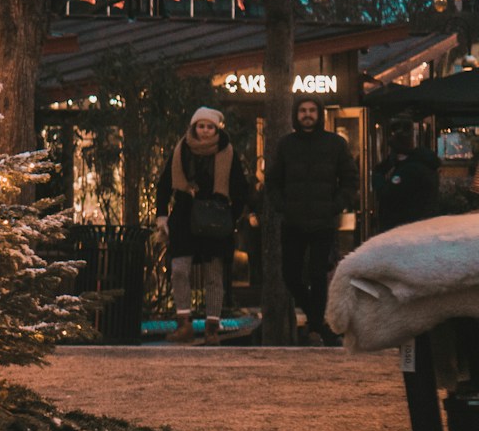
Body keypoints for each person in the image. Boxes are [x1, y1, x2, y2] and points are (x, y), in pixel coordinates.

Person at [155, 106, 252, 345]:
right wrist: (161, 215)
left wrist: (231, 215)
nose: (206, 131)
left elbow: (240, 187)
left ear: (216, 128)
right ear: (194, 127)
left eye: (210, 127)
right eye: (201, 126)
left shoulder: (227, 152)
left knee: (213, 274)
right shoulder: (181, 150)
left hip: (215, 217)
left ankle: (212, 328)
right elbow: (165, 182)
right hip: (184, 215)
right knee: (179, 268)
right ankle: (184, 323)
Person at [267, 96, 354, 346]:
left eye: (312, 110)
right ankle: (319, 321)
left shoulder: (335, 144)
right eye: (303, 110)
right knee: (291, 275)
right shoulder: (286, 145)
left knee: (318, 275)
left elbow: (349, 180)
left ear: (319, 113)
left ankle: (316, 328)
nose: (307, 115)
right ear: (296, 113)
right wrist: (282, 206)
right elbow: (273, 181)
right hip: (293, 220)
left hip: (322, 221)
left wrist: (335, 206)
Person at [372, 127, 439, 231]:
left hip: (404, 225)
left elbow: (388, 193)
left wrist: (378, 175)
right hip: (418, 224)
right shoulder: (423, 166)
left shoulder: (407, 171)